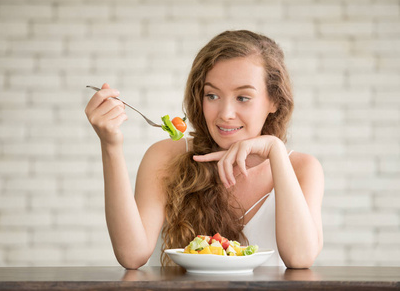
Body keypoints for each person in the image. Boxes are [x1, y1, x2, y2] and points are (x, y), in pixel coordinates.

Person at [85, 30, 324, 269]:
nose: (225, 114)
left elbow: (300, 258)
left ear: (274, 101)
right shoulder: (166, 156)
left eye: (243, 98)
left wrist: (276, 151)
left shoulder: (303, 168)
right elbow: (132, 255)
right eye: (212, 95)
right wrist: (110, 146)